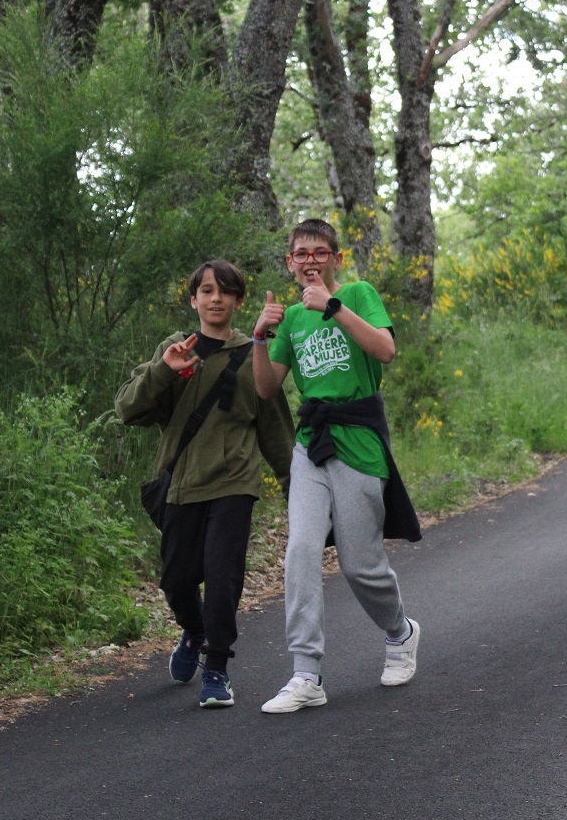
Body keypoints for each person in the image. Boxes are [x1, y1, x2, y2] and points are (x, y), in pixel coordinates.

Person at [252, 219, 423, 714]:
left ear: (336, 259)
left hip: (359, 441)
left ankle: (400, 632)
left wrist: (332, 306)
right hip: (311, 444)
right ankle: (306, 673)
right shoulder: (290, 319)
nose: (310, 261)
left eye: (320, 252)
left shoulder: (358, 294)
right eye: (301, 254)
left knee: (359, 565)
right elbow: (266, 388)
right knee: (301, 550)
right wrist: (260, 338)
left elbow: (385, 350)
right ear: (289, 263)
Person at [115, 260, 294, 709]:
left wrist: (297, 491)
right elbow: (127, 409)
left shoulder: (254, 355)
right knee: (176, 581)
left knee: (221, 577)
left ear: (238, 301)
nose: (216, 299)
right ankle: (193, 632)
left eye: (226, 291)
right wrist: (165, 370)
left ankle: (217, 667)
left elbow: (276, 432)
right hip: (180, 483)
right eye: (207, 291)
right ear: (193, 299)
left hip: (235, 483)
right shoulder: (176, 348)